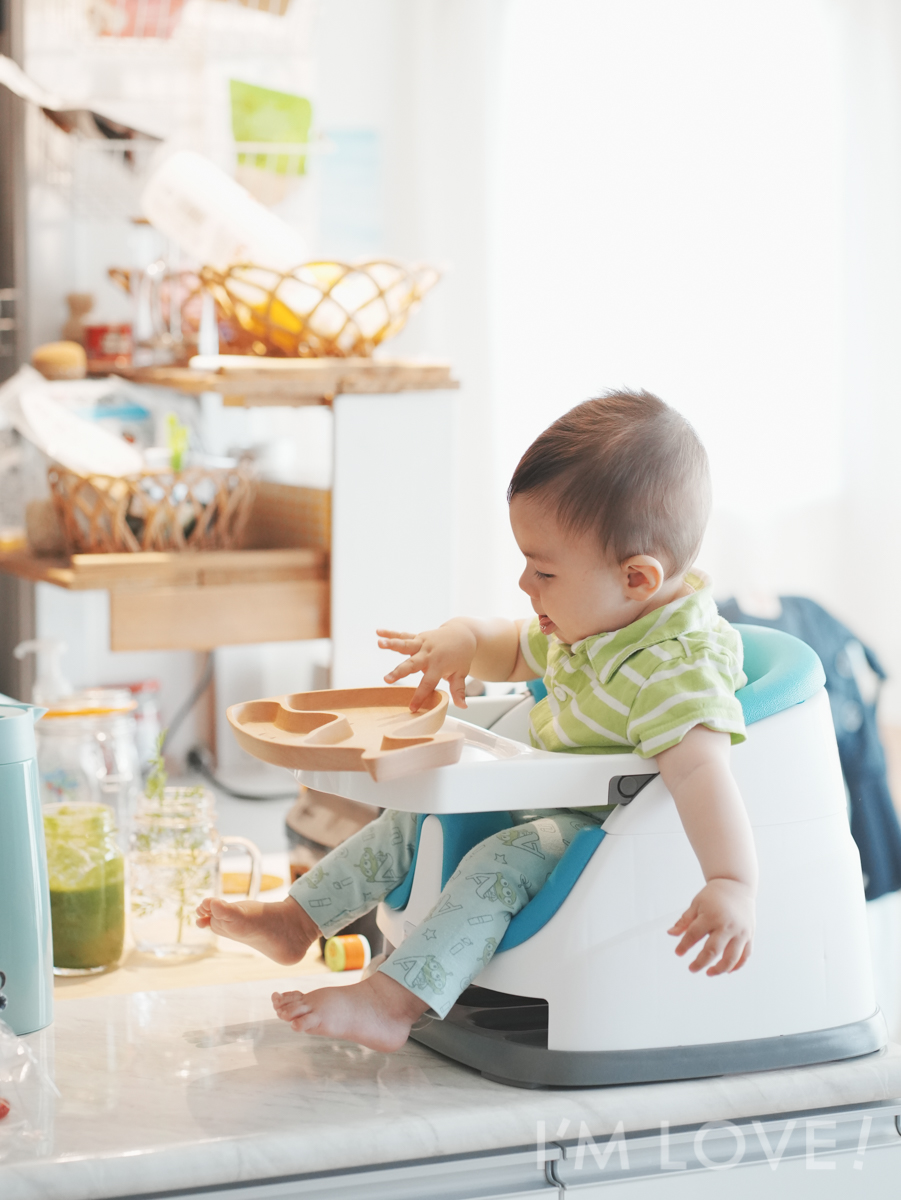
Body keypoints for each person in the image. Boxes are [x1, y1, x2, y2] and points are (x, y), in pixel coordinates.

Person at [197, 391, 758, 1053]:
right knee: (411, 818)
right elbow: (517, 646)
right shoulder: (602, 618)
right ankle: (297, 921)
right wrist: (463, 640)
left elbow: (700, 775)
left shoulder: (676, 670)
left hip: (601, 827)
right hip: (539, 794)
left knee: (503, 856)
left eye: (543, 570)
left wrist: (730, 882)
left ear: (637, 577)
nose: (525, 584)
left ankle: (391, 1003)